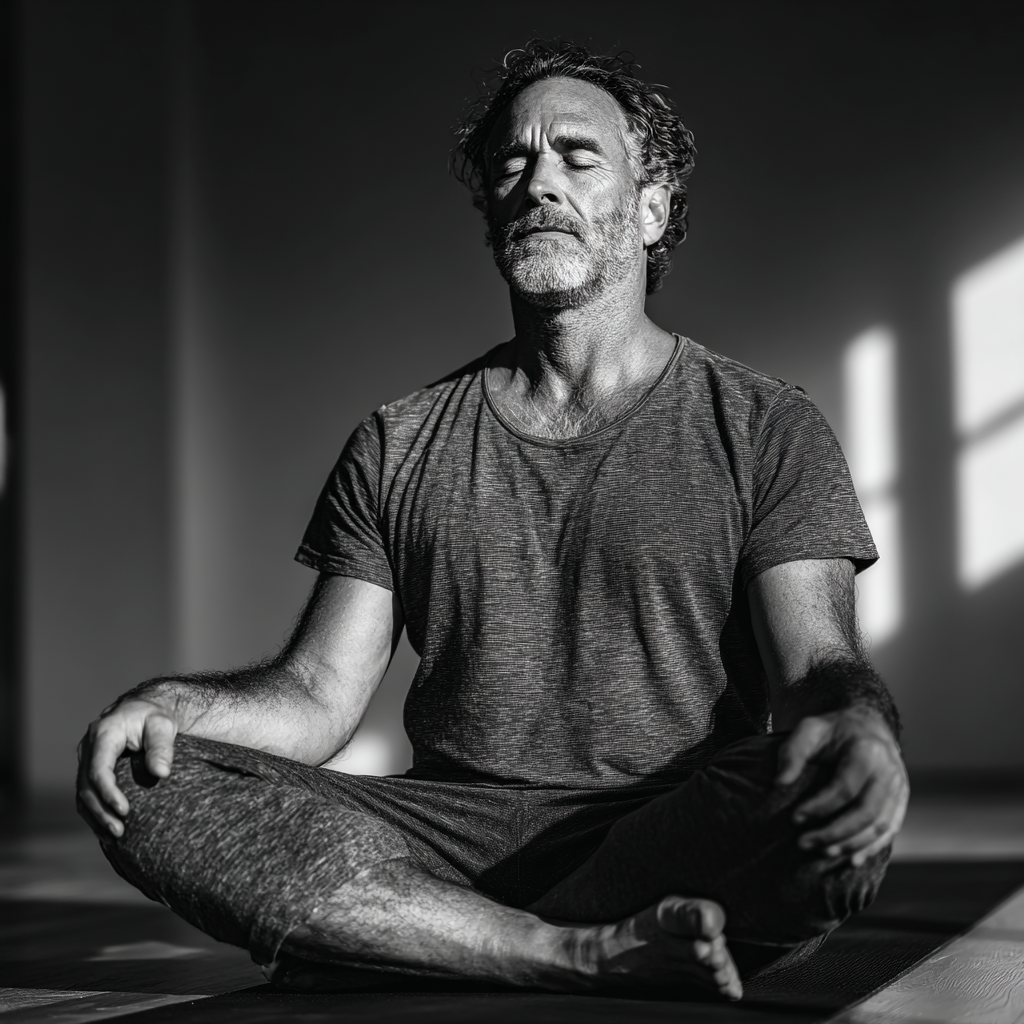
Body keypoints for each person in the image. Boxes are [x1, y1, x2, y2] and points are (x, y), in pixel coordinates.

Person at [76, 41, 909, 1001]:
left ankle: (402, 931)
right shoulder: (398, 442)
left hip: (667, 825)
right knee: (148, 778)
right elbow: (315, 695)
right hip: (447, 831)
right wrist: (174, 707)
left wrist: (862, 734)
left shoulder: (766, 425)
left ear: (651, 205)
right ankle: (563, 951)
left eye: (577, 157)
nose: (537, 182)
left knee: (808, 788)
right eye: (512, 162)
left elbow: (817, 670)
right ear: (491, 211)